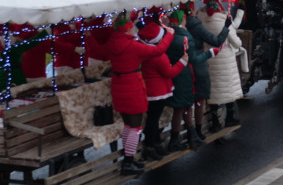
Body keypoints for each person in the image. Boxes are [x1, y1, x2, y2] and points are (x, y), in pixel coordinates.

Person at [86, 12, 176, 174]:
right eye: (131, 29)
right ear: (126, 31)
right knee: (135, 125)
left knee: (128, 124)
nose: (134, 31)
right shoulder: (133, 47)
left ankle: (129, 159)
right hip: (132, 86)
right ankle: (128, 161)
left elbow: (98, 49)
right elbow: (158, 50)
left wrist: (88, 35)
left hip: (118, 86)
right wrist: (169, 35)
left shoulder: (111, 44)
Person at [164, 9, 221, 152]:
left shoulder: (167, 35)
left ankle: (179, 138)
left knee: (180, 108)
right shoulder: (184, 37)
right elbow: (194, 59)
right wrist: (210, 53)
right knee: (185, 106)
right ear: (182, 20)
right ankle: (187, 136)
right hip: (183, 74)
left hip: (173, 74)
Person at [137, 13, 189, 162]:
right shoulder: (158, 56)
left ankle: (156, 143)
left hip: (153, 90)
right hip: (158, 92)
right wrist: (182, 62)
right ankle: (150, 146)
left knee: (154, 118)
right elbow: (169, 72)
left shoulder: (147, 51)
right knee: (153, 120)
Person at [184, 0, 232, 139]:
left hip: (183, 67)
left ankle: (189, 132)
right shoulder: (197, 26)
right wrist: (226, 27)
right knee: (199, 100)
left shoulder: (177, 28)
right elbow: (216, 41)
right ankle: (198, 131)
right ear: (192, 11)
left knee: (186, 104)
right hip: (199, 66)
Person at [200, 0, 247, 132]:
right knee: (228, 92)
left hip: (210, 59)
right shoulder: (222, 20)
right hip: (224, 60)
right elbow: (236, 42)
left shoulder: (201, 19)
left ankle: (215, 123)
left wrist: (238, 14)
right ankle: (230, 118)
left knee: (214, 93)